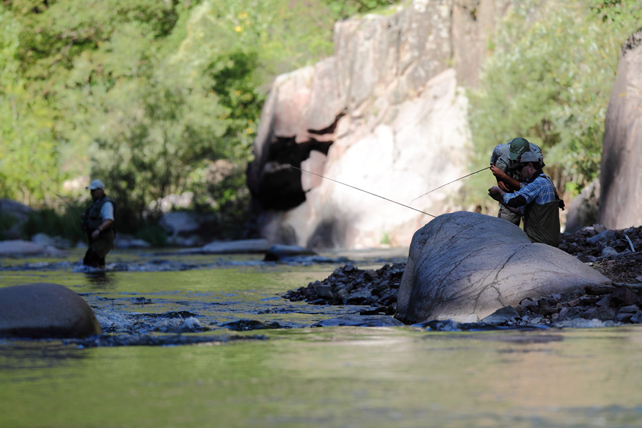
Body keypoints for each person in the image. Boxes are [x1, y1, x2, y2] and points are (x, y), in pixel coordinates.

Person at [488, 152, 564, 247]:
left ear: (530, 166)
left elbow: (515, 201)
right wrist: (499, 198)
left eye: (519, 169)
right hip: (546, 239)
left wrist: (500, 192)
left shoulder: (539, 183)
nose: (518, 173)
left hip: (540, 241)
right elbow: (520, 210)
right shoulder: (545, 180)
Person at [489, 137, 543, 226]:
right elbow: (493, 163)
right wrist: (499, 179)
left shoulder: (536, 157)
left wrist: (503, 176)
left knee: (532, 223)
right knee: (506, 225)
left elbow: (528, 187)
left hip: (528, 190)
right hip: (509, 189)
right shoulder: (501, 150)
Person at [81, 179, 115, 268]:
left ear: (101, 191)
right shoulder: (97, 203)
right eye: (91, 191)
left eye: (93, 191)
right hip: (97, 239)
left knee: (89, 260)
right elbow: (97, 217)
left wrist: (98, 230)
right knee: (98, 263)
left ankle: (97, 279)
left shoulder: (106, 204)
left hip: (104, 238)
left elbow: (109, 220)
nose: (91, 193)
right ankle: (100, 280)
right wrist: (86, 216)